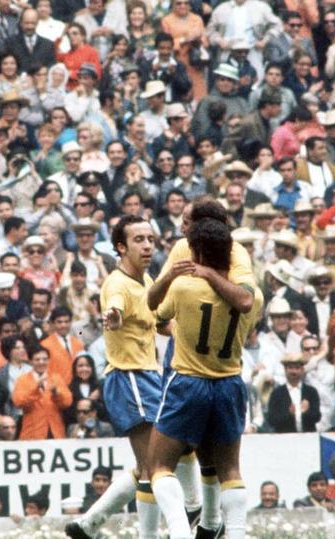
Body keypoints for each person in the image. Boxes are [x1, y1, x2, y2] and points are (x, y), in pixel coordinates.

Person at [149, 207, 262, 539]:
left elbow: (156, 310)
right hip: (228, 383)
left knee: (159, 466)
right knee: (229, 469)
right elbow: (245, 304)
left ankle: (181, 532)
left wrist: (173, 279)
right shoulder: (252, 295)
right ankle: (234, 533)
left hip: (188, 381)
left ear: (196, 251)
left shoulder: (183, 287)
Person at [65, 215, 163, 539]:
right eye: (139, 240)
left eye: (150, 238)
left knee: (154, 463)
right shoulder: (117, 283)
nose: (147, 245)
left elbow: (158, 322)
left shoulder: (146, 282)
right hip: (129, 377)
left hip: (150, 376)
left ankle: (89, 523)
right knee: (153, 466)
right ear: (121, 247)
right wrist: (113, 316)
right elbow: (116, 310)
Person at [12, 345, 72, 439]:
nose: (41, 362)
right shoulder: (22, 380)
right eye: (37, 359)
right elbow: (19, 402)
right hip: (33, 432)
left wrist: (56, 393)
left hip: (55, 431)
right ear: (31, 361)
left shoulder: (56, 378)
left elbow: (67, 402)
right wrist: (36, 388)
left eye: (44, 359)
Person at [266, 354, 321, 433]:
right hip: (285, 439)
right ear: (285, 370)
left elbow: (317, 417)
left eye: (297, 368)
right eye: (290, 368)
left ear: (302, 370)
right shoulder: (277, 393)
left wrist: (306, 412)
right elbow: (271, 420)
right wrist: (289, 414)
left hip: (308, 438)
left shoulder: (311, 392)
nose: (294, 371)